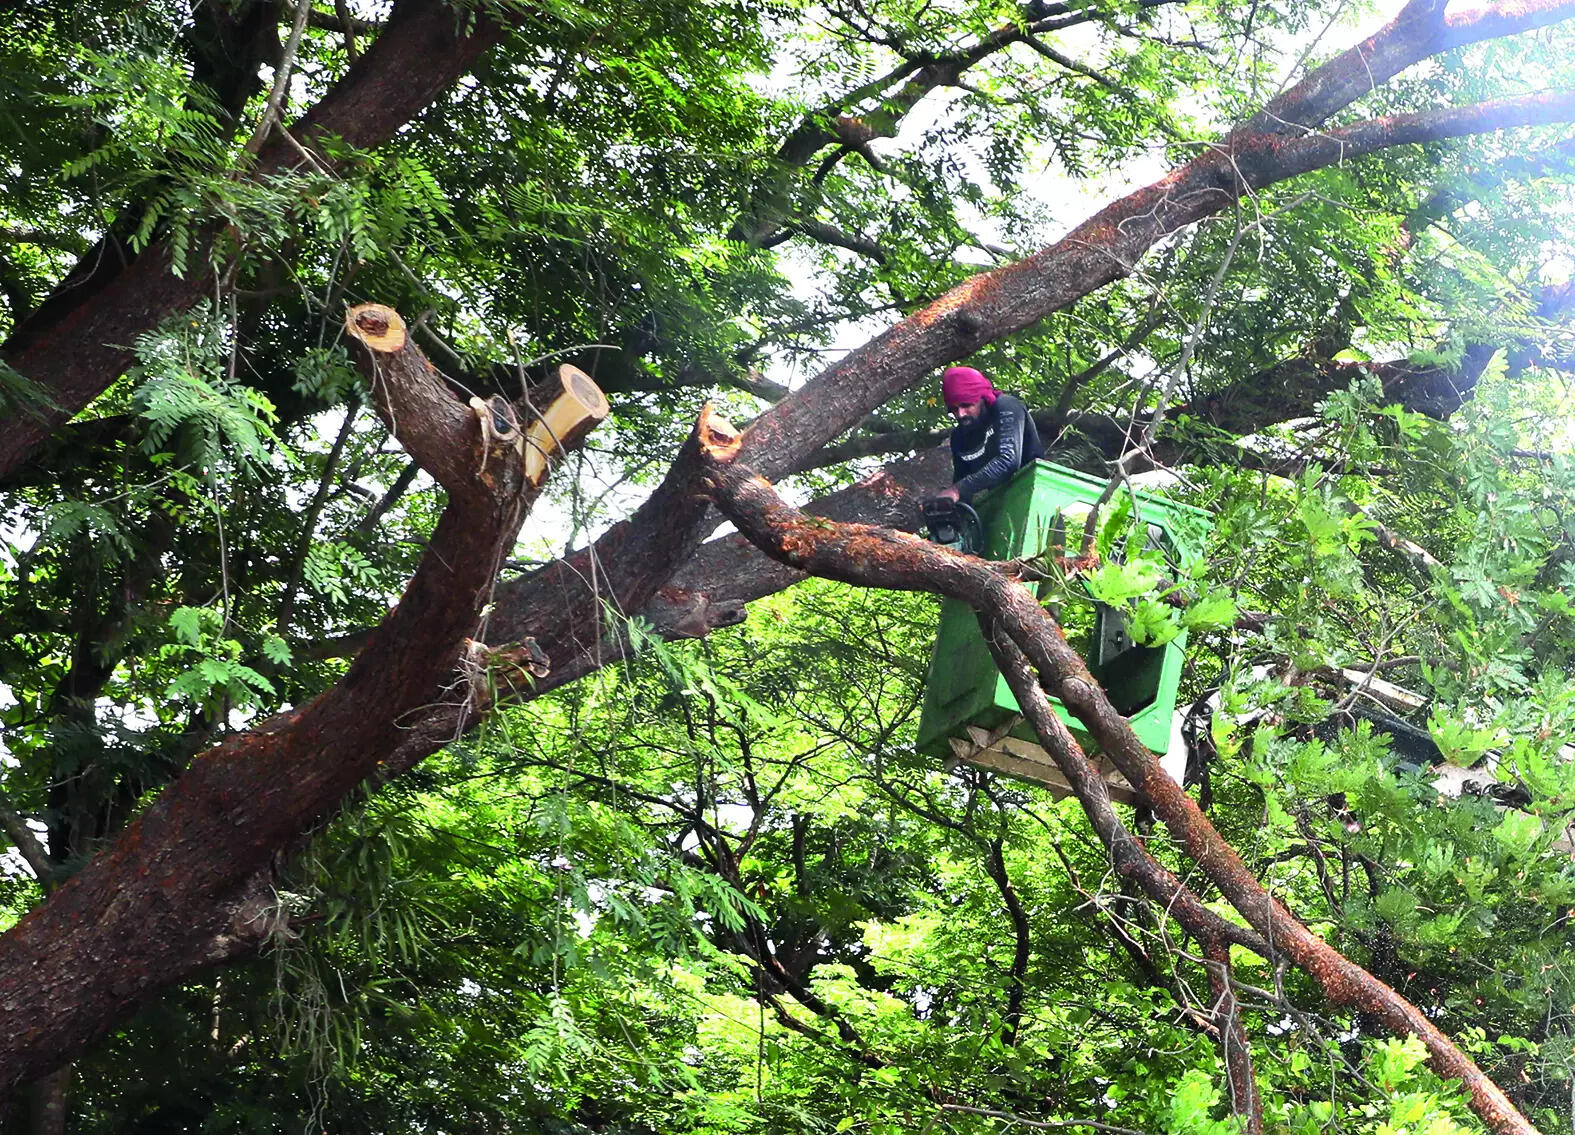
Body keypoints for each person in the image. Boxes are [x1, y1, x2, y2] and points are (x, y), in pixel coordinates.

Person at [936, 365, 1044, 503]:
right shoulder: (959, 437)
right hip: (1002, 505)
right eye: (954, 409)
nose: (960, 414)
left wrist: (957, 489)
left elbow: (1008, 461)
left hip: (1037, 496)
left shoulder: (1006, 406)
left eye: (966, 405)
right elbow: (962, 488)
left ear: (981, 398)